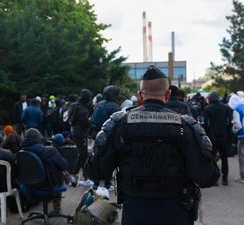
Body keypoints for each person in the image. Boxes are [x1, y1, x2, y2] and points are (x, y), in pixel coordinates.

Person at [85, 66, 220, 225]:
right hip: (176, 212)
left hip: (135, 213)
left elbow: (95, 170)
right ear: (168, 94)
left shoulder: (120, 125)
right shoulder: (185, 127)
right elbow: (208, 177)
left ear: (140, 95)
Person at [21, 128, 68, 213]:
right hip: (49, 185)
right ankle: (56, 209)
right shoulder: (50, 150)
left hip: (30, 186)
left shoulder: (22, 152)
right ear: (39, 139)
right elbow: (64, 165)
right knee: (60, 173)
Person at [90, 85, 120, 190]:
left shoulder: (99, 104)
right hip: (108, 137)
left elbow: (92, 120)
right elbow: (117, 123)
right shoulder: (113, 106)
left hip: (96, 135)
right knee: (109, 160)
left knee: (96, 159)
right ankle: (107, 183)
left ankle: (96, 183)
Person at [203, 91, 233, 185]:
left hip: (212, 136)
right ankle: (225, 179)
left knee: (212, 157)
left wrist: (207, 134)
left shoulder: (208, 108)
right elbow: (230, 123)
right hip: (224, 136)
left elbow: (206, 124)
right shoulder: (226, 108)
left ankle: (215, 179)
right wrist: (228, 134)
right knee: (224, 158)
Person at [69, 89, 92, 185]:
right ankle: (86, 177)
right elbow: (85, 122)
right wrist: (92, 124)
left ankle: (74, 174)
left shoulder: (74, 105)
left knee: (81, 154)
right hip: (81, 133)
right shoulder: (82, 108)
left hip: (75, 131)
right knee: (84, 155)